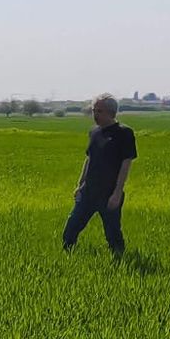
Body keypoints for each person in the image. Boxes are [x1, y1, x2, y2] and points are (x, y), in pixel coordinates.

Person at [62, 95, 136, 258]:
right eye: (94, 110)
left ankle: (120, 261)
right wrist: (80, 185)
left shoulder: (124, 133)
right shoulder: (94, 132)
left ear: (111, 112)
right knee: (71, 229)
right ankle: (68, 257)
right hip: (88, 191)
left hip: (109, 193)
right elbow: (89, 159)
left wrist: (117, 193)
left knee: (112, 233)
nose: (95, 115)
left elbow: (126, 164)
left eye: (99, 111)